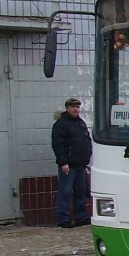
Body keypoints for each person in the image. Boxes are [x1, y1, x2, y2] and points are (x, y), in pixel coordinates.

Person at [51, 97, 93, 228]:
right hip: (68, 165)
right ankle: (63, 219)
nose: (76, 109)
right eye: (73, 107)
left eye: (78, 107)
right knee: (65, 191)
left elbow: (86, 140)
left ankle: (80, 216)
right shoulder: (61, 124)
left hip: (81, 164)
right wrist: (63, 162)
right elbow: (57, 145)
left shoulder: (80, 123)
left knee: (81, 192)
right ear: (67, 108)